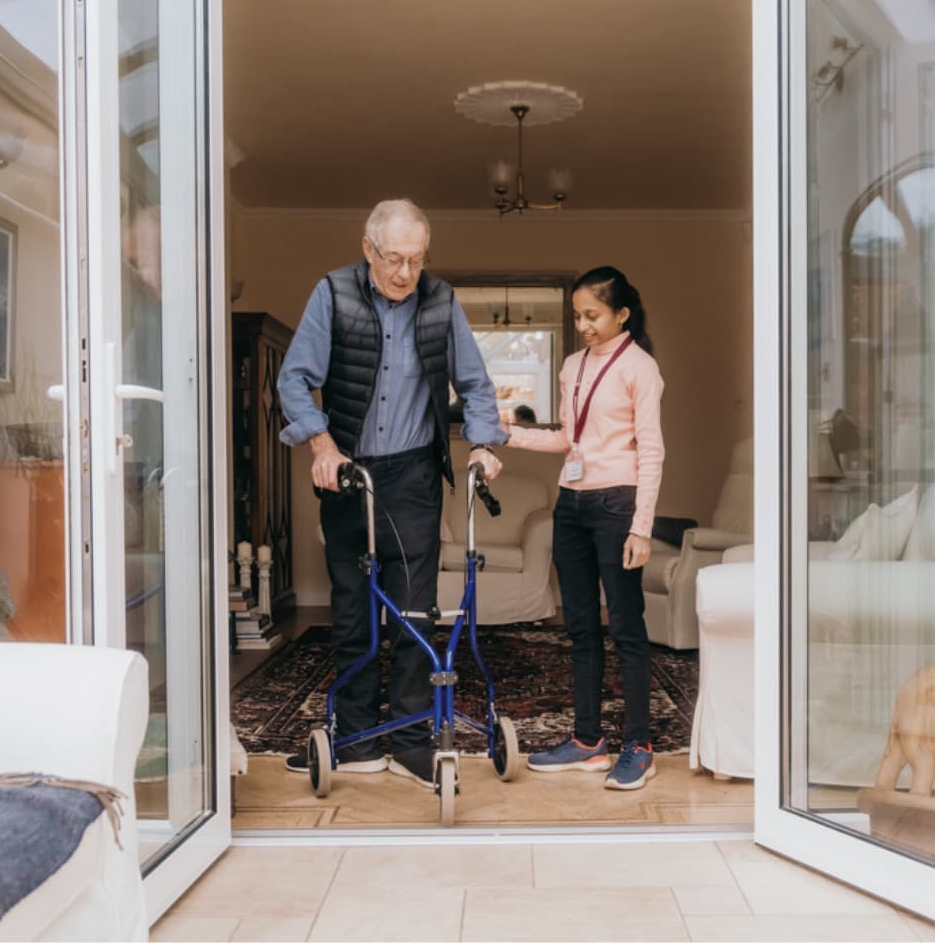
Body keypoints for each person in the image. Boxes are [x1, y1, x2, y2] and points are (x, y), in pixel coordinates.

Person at [277, 198, 506, 788]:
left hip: (412, 473)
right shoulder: (332, 294)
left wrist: (482, 443)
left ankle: (409, 739)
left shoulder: (442, 301)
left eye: (417, 259)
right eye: (394, 259)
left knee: (412, 607)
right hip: (347, 467)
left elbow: (476, 383)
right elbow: (295, 379)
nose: (406, 273)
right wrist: (322, 447)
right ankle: (355, 738)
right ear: (368, 249)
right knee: (353, 603)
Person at [504, 266, 664, 790]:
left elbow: (652, 452)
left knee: (626, 627)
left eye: (592, 315)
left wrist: (641, 528)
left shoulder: (640, 368)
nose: (583, 325)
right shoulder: (572, 366)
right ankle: (589, 740)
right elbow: (570, 440)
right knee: (579, 626)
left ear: (621, 314)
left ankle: (639, 746)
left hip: (618, 505)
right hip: (571, 505)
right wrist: (512, 436)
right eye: (576, 315)